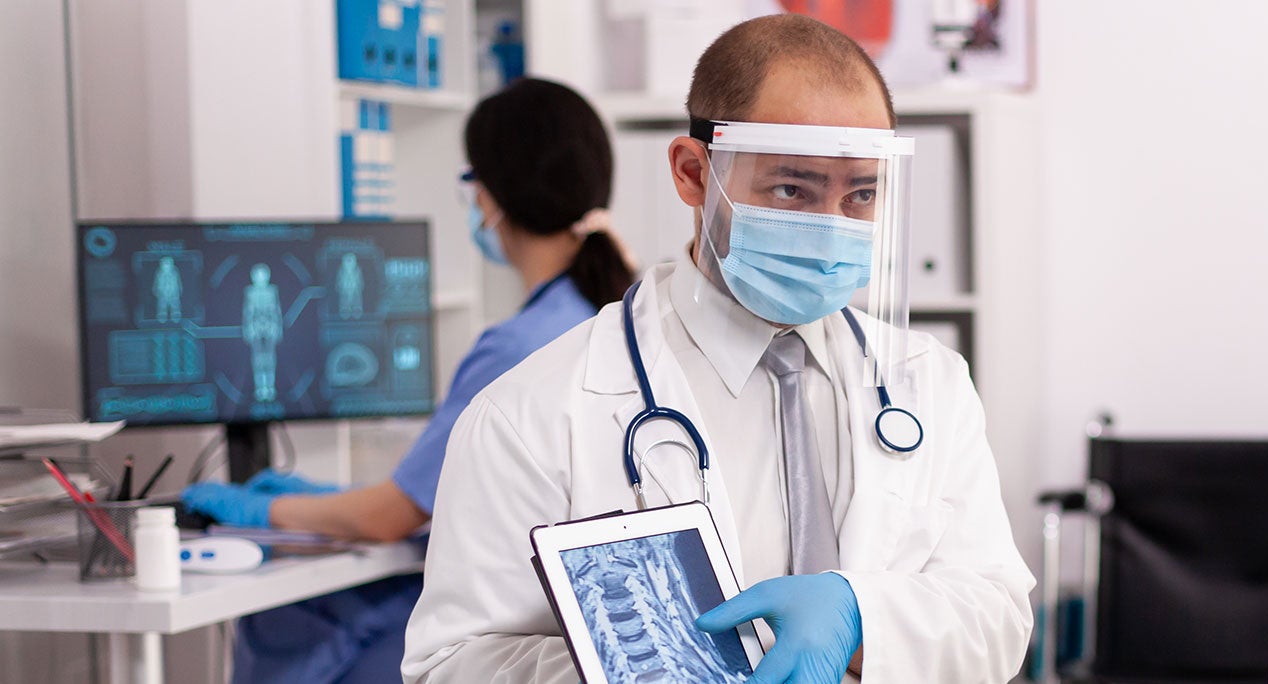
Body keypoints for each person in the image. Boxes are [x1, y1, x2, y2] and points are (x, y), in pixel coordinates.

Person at [402, 15, 1033, 684]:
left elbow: (998, 615)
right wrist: (645, 670)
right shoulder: (529, 415)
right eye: (792, 189)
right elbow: (452, 664)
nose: (830, 227)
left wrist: (862, 615)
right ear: (693, 173)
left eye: (861, 194)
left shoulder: (928, 383)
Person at [178, 78, 635, 683]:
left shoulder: (516, 346)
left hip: (505, 632)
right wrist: (310, 499)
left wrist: (258, 510)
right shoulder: (613, 313)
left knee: (287, 621)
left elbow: (388, 517)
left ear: (492, 194)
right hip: (587, 620)